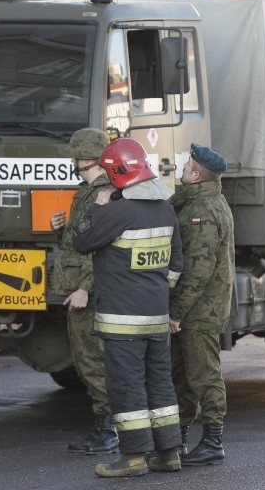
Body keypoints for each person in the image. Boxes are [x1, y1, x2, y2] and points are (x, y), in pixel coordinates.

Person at [73, 138, 184, 477]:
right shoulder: (165, 208)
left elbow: (81, 240)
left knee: (126, 385)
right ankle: (168, 454)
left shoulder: (117, 211)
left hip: (122, 320)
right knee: (160, 384)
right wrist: (155, 295)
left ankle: (134, 457)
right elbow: (176, 263)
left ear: (118, 173)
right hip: (156, 316)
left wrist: (98, 207)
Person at [163, 143, 234, 467]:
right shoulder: (199, 201)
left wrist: (176, 312)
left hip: (200, 310)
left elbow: (197, 269)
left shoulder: (202, 211)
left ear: (195, 173)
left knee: (203, 375)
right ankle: (177, 438)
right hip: (197, 308)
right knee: (183, 375)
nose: (182, 166)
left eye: (187, 163)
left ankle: (212, 441)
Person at [49, 128, 117, 455]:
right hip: (80, 287)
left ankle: (108, 430)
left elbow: (99, 248)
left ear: (83, 157)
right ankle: (105, 428)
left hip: (88, 291)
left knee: (92, 360)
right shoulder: (87, 193)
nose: (73, 161)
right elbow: (81, 241)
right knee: (87, 358)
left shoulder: (101, 194)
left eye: (75, 156)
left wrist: (85, 289)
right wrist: (62, 230)